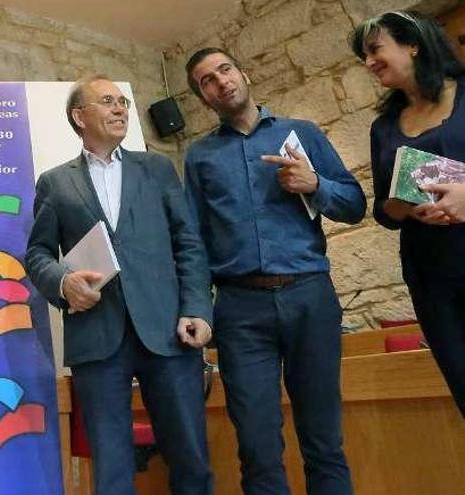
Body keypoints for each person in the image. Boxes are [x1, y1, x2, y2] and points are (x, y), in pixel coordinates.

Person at [184, 48, 366, 495]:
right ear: (204, 98)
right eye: (207, 80)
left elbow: (356, 204)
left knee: (324, 440)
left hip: (310, 297)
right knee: (257, 447)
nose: (221, 81)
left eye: (225, 69)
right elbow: (194, 241)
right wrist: (197, 309)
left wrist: (316, 185)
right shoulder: (200, 157)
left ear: (243, 73)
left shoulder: (301, 134)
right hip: (239, 310)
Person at [25, 75, 214, 495]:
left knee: (192, 458)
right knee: (111, 472)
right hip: (97, 338)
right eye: (107, 101)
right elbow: (37, 255)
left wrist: (198, 308)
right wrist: (63, 282)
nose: (120, 109)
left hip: (169, 332)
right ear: (80, 116)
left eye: (123, 102)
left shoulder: (157, 168)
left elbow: (188, 243)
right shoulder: (55, 182)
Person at [350, 10, 465, 417]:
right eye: (364, 55)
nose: (368, 63)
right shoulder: (383, 128)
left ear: (412, 43)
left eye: (374, 49)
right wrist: (401, 205)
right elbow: (384, 210)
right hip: (432, 281)